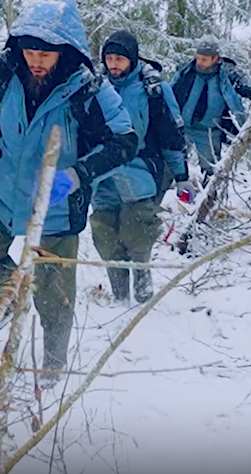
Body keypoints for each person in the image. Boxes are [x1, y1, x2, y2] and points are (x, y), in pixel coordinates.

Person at [0, 0, 138, 386]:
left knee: (56, 298)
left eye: (45, 54)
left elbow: (125, 140)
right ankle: (11, 300)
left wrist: (79, 174)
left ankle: (51, 374)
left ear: (65, 52)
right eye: (30, 51)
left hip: (57, 203)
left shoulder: (87, 89)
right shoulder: (5, 72)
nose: (36, 60)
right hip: (4, 189)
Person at [89, 31, 192, 305]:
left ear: (132, 59)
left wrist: (181, 176)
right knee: (105, 232)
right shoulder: (93, 85)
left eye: (120, 59)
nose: (113, 64)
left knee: (138, 229)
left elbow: (172, 135)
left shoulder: (153, 89)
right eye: (109, 58)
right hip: (102, 173)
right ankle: (120, 294)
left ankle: (142, 279)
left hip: (141, 169)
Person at [169, 40, 251, 176]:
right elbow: (169, 91)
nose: (199, 62)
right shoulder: (186, 71)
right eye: (198, 58)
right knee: (172, 164)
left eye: (204, 59)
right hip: (183, 128)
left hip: (210, 132)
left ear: (216, 59)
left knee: (211, 171)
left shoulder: (229, 73)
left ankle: (209, 196)